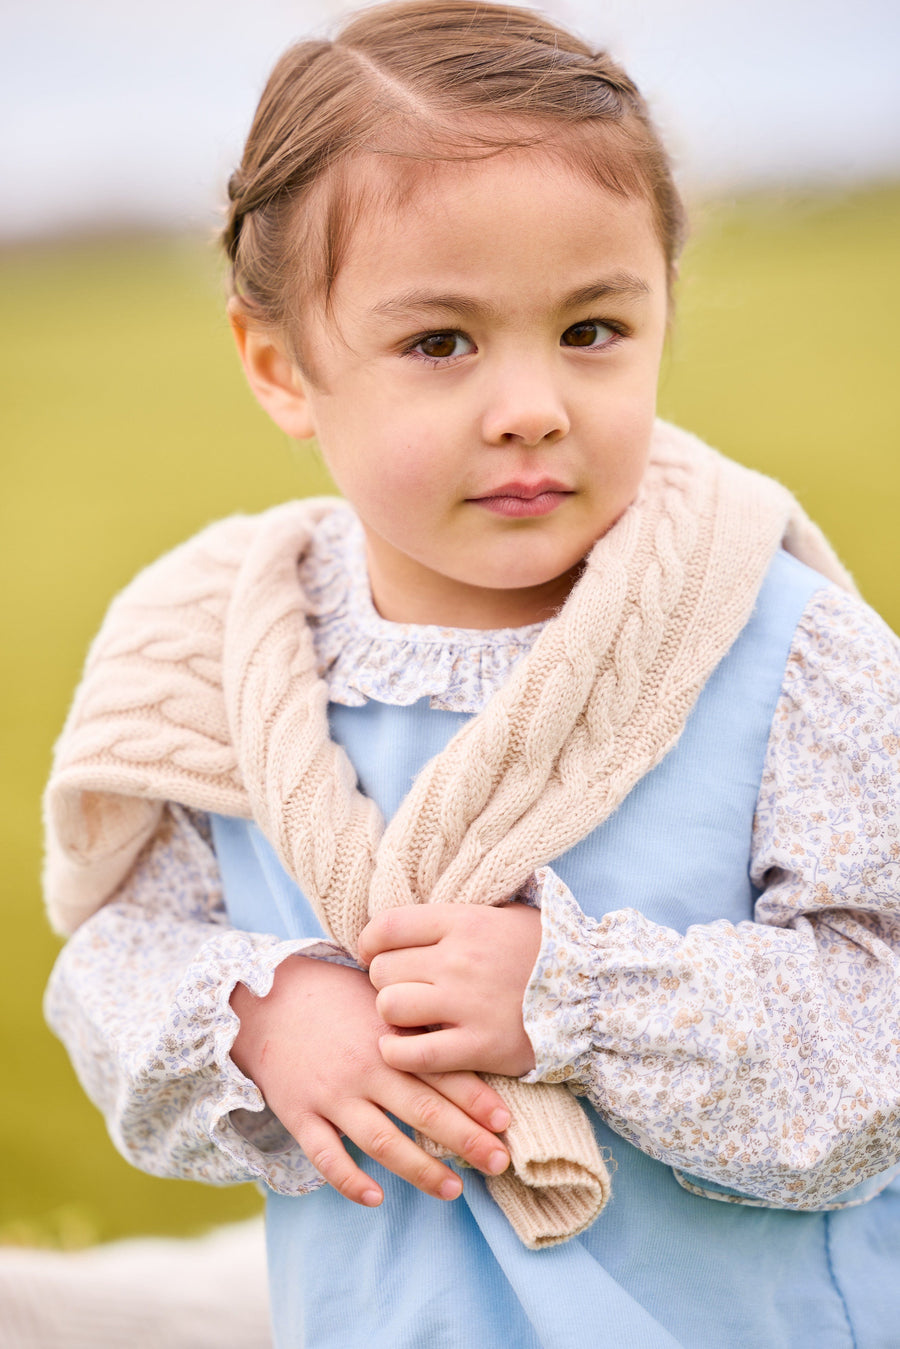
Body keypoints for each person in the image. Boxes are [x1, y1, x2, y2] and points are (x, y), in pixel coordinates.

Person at [42, 2, 900, 1344]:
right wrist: (262, 1011)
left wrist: (568, 999)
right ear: (281, 366)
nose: (530, 404)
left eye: (593, 329)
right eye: (441, 343)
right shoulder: (215, 654)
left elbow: (877, 1038)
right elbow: (120, 959)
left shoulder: (777, 645)